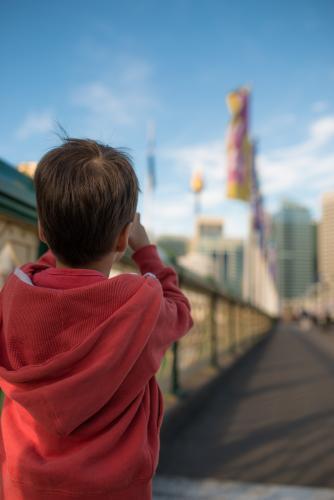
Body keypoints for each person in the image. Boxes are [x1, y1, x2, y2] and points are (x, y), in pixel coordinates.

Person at [0, 138, 193, 500]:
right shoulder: (141, 304)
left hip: (22, 484)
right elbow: (180, 310)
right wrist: (147, 252)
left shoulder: (14, 295)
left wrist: (59, 241)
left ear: (42, 230)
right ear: (123, 238)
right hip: (116, 489)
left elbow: (42, 277)